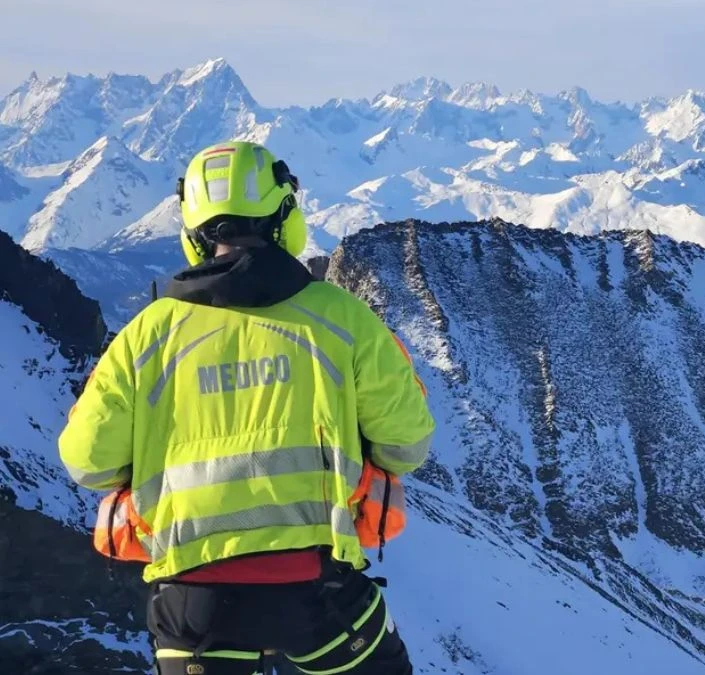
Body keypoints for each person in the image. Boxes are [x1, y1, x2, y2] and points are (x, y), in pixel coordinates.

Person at [59, 141, 435, 675]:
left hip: (193, 607)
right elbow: (406, 444)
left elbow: (88, 461)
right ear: (285, 217)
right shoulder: (343, 320)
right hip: (318, 594)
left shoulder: (145, 336)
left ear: (192, 233)